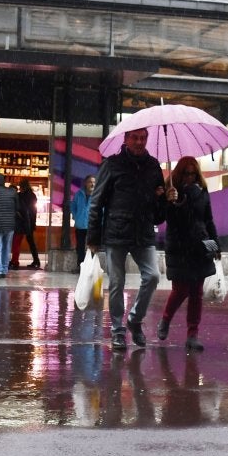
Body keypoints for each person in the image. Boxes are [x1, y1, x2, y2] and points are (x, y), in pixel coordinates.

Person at [86, 128, 167, 351]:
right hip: (116, 232)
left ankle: (134, 320)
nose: (140, 142)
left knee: (152, 277)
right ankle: (117, 331)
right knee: (116, 284)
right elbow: (96, 203)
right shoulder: (112, 165)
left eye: (143, 138)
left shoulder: (153, 166)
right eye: (135, 138)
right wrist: (93, 237)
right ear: (126, 139)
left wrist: (164, 199)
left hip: (143, 232)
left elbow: (159, 215)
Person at [157, 156, 218, 352]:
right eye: (186, 173)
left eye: (193, 173)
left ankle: (193, 334)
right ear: (179, 173)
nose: (190, 177)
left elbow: (208, 219)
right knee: (181, 289)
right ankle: (166, 319)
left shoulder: (202, 192)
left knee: (196, 293)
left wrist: (216, 244)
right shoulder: (172, 192)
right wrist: (171, 201)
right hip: (179, 247)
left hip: (200, 247)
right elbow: (165, 218)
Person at [10, 178, 41, 270]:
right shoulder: (32, 195)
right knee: (31, 242)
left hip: (21, 222)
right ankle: (36, 260)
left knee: (17, 242)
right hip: (30, 222)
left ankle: (15, 260)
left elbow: (18, 208)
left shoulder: (20, 196)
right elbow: (34, 210)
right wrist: (33, 222)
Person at [69, 175, 97, 271]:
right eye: (90, 182)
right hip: (80, 225)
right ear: (85, 183)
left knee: (92, 248)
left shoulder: (97, 195)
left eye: (94, 182)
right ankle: (80, 266)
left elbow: (102, 210)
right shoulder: (79, 194)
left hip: (92, 226)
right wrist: (76, 216)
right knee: (80, 248)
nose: (92, 184)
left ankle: (91, 268)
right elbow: (72, 206)